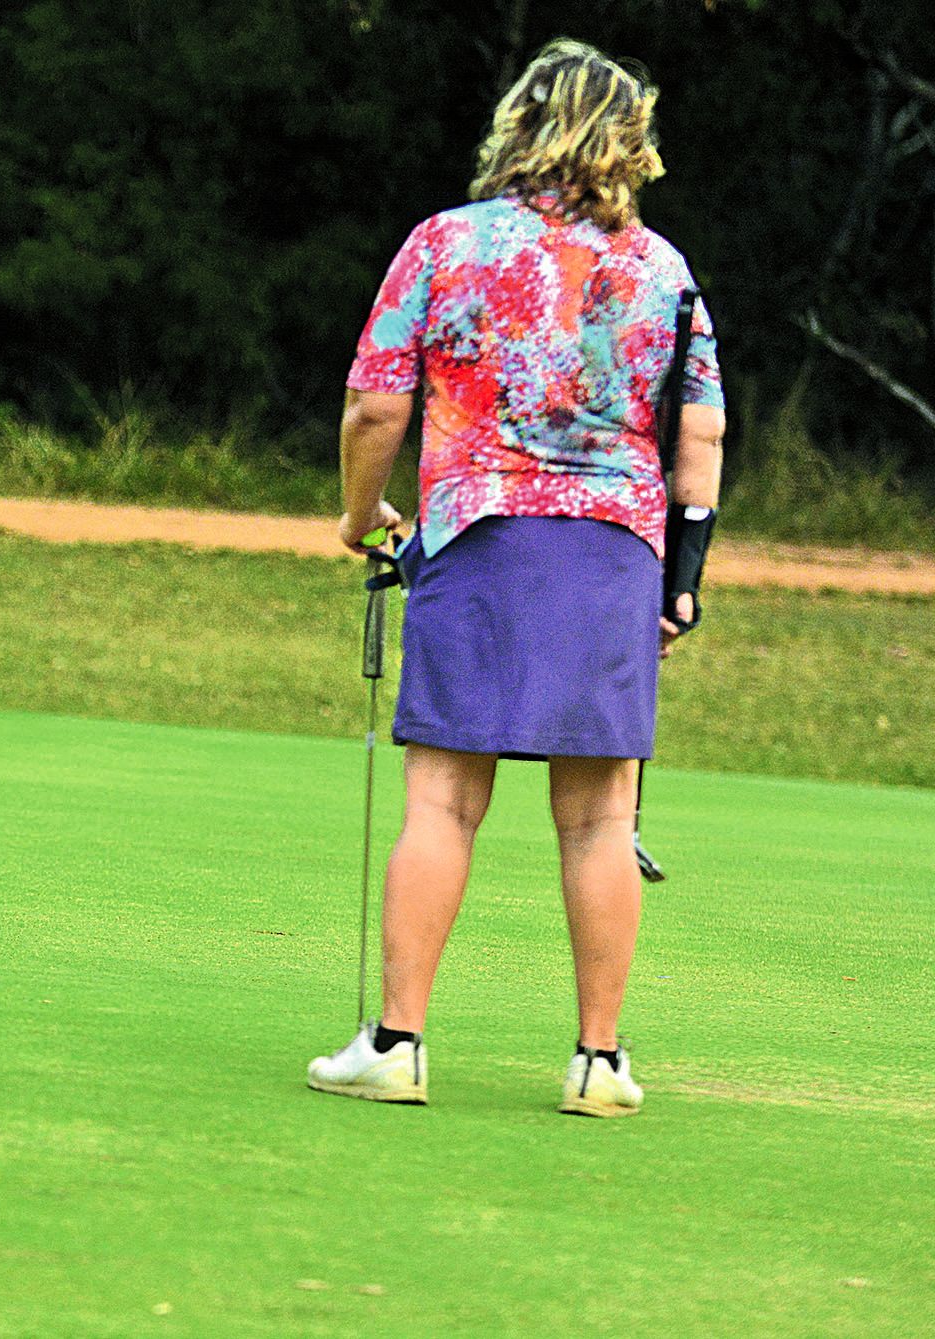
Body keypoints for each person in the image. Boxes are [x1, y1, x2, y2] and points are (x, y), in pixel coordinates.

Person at [305, 39, 725, 1117]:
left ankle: (397, 1044)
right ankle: (598, 1062)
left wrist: (359, 518)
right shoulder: (663, 269)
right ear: (628, 137)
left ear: (518, 124)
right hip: (613, 554)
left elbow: (374, 406)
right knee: (597, 815)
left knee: (443, 799)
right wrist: (678, 581)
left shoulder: (446, 243)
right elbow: (699, 439)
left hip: (475, 535)